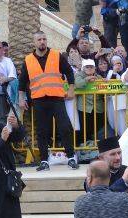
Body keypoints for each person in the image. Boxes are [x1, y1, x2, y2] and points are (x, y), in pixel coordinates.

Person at [18, 31, 78, 172]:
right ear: (35, 42)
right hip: (39, 100)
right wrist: (21, 99)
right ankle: (44, 161)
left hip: (56, 98)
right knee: (42, 131)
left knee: (64, 127)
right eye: (39, 39)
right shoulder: (28, 60)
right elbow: (22, 82)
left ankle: (71, 157)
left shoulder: (56, 55)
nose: (42, 42)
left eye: (44, 39)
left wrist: (71, 90)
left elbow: (69, 73)